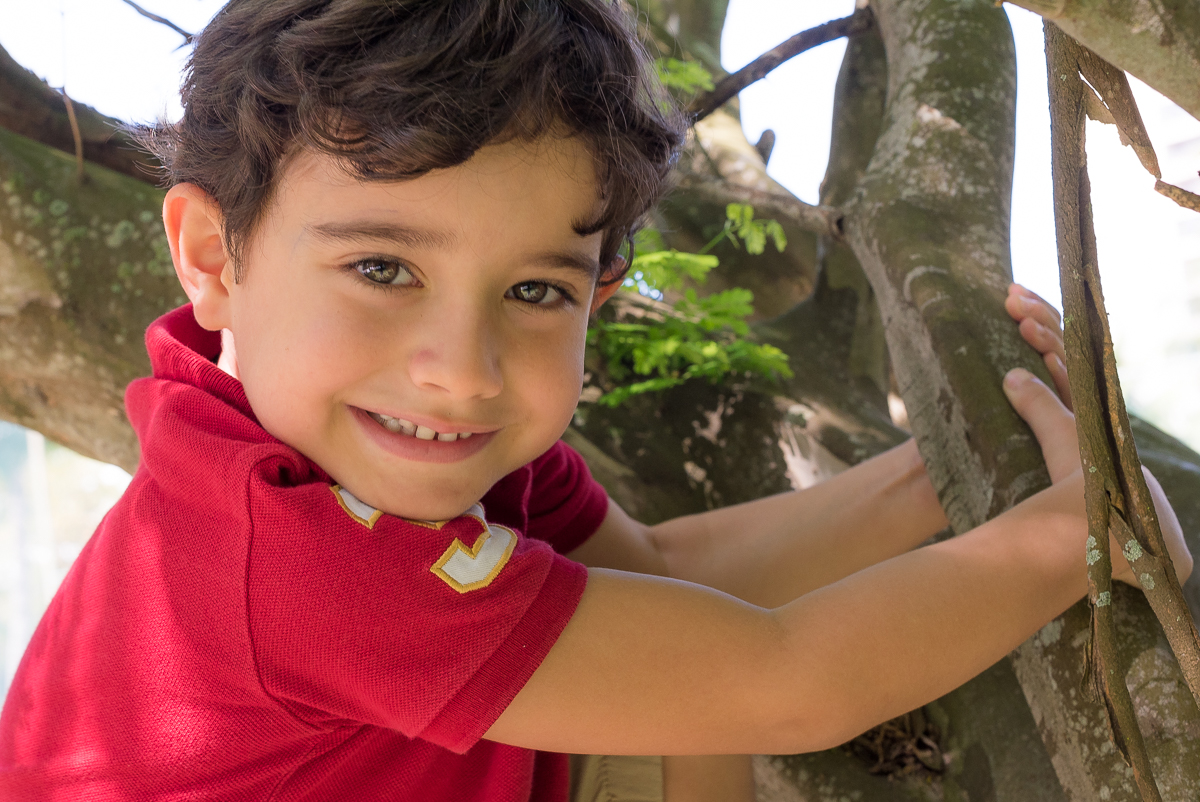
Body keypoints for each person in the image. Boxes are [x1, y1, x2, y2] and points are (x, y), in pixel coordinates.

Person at [0, 1, 1191, 800]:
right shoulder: (288, 556)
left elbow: (662, 568)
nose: (463, 368)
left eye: (533, 290)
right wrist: (1082, 530)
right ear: (213, 256)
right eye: (382, 268)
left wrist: (948, 463)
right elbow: (786, 680)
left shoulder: (413, 444)